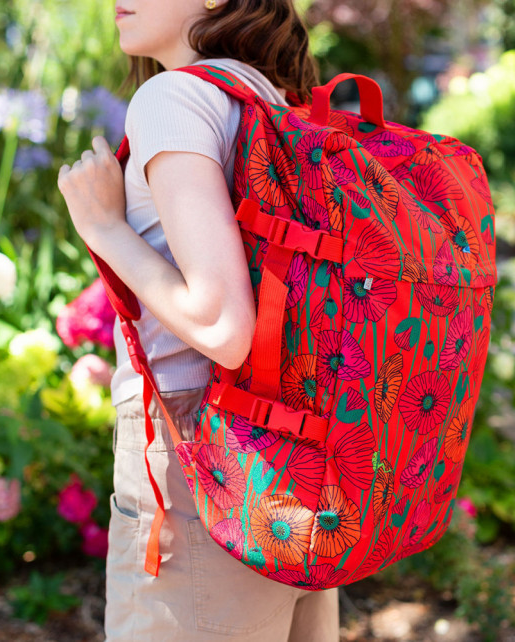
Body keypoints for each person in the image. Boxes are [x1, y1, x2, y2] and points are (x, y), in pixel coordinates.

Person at [57, 0, 340, 639]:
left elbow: (222, 327)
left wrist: (101, 225)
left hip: (200, 457)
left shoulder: (174, 98)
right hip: (296, 448)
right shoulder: (270, 98)